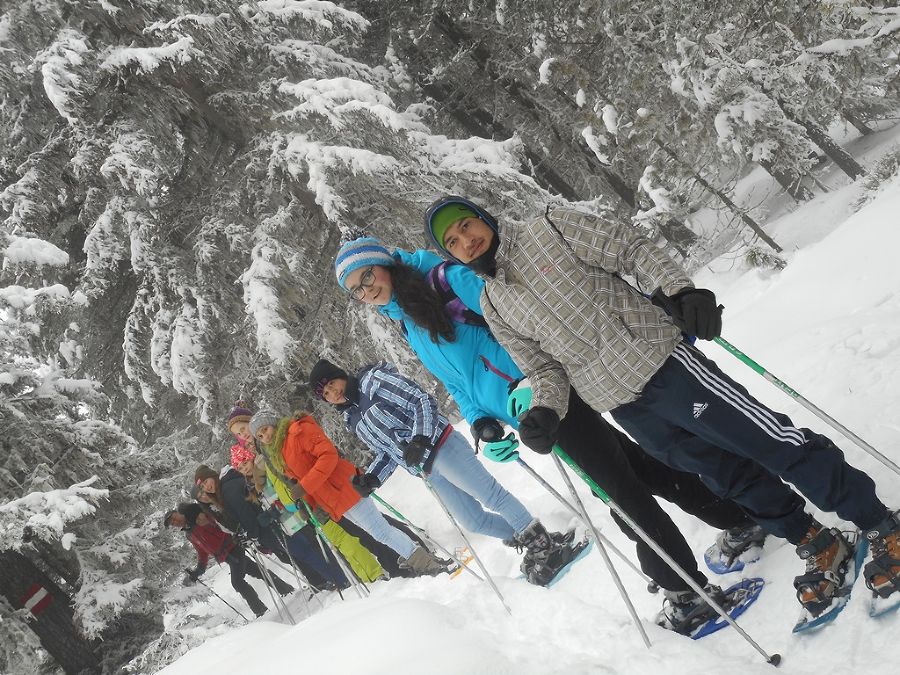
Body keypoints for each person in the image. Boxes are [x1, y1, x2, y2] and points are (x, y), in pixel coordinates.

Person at [423, 195, 900, 620]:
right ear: (450, 253)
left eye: (467, 225)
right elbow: (545, 370)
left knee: (767, 441)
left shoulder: (550, 227)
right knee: (722, 474)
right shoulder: (494, 302)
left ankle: (877, 521)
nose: (466, 239)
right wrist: (545, 412)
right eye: (453, 239)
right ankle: (815, 541)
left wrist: (682, 290)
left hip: (664, 365)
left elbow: (630, 248)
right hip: (623, 405)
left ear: (484, 217)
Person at [332, 236, 765, 619]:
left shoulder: (445, 280)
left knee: (619, 492)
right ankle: (734, 517)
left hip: (549, 396)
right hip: (525, 415)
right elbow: (456, 381)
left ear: (383, 262)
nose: (366, 290)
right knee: (636, 469)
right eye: (356, 290)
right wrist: (482, 420)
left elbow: (520, 322)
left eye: (366, 276)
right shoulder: (407, 321)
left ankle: (684, 590)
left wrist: (530, 383)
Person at [308, 356, 585, 586]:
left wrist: (420, 438)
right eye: (327, 394)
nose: (334, 394)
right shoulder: (352, 418)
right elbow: (387, 451)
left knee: (492, 497)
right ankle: (540, 540)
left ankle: (544, 549)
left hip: (442, 446)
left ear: (341, 375)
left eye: (333, 384)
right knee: (473, 521)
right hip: (427, 470)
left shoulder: (374, 383)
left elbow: (421, 401)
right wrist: (372, 478)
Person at [227, 404, 428, 579]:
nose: (243, 434)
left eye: (243, 428)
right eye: (238, 433)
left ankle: (414, 554)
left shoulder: (281, 439)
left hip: (331, 487)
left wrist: (304, 490)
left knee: (374, 528)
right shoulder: (264, 448)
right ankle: (403, 560)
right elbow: (284, 480)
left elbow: (316, 460)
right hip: (317, 496)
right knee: (365, 531)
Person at [193, 464, 348, 590]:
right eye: (203, 487)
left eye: (206, 482)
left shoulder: (227, 489)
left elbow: (246, 514)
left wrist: (252, 534)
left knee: (306, 552)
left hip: (269, 528)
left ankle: (340, 579)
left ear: (212, 475)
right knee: (306, 551)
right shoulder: (227, 486)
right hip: (271, 524)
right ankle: (340, 577)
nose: (207, 487)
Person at [163, 502, 291, 618]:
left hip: (233, 548)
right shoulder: (189, 534)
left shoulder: (197, 517)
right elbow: (201, 551)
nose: (175, 522)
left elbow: (218, 523)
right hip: (227, 557)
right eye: (173, 523)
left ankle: (260, 611)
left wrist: (234, 535)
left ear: (178, 513)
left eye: (174, 518)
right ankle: (286, 590)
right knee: (258, 571)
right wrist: (199, 570)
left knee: (237, 582)